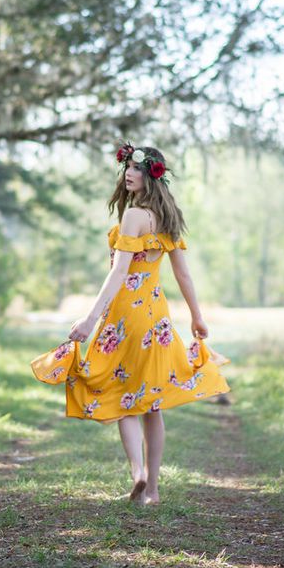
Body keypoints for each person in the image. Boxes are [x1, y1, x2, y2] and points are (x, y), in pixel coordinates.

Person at [63, 142, 231, 505]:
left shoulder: (134, 216)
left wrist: (90, 319)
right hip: (157, 318)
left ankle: (138, 473)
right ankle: (152, 490)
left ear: (152, 174)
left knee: (124, 396)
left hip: (125, 316)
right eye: (126, 166)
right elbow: (184, 276)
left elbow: (119, 273)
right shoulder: (169, 218)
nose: (128, 172)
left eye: (136, 168)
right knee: (151, 404)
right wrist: (197, 317)